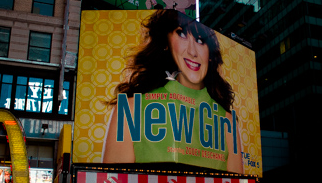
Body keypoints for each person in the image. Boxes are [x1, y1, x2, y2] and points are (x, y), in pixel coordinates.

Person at [103, 10, 243, 173]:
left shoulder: (227, 122)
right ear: (166, 43)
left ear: (210, 54)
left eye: (200, 40)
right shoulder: (131, 108)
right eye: (182, 34)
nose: (192, 51)